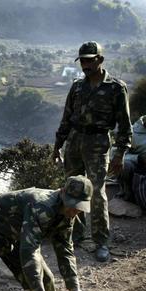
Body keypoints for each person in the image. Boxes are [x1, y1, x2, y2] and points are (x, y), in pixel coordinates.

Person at [52, 41, 133, 262]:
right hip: (75, 141)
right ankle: (75, 235)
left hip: (98, 143)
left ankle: (101, 241)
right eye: (83, 61)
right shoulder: (77, 86)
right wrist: (57, 146)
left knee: (97, 193)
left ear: (100, 59)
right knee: (71, 188)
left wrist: (120, 153)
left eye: (90, 59)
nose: (86, 64)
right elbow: (66, 118)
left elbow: (125, 126)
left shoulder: (116, 88)